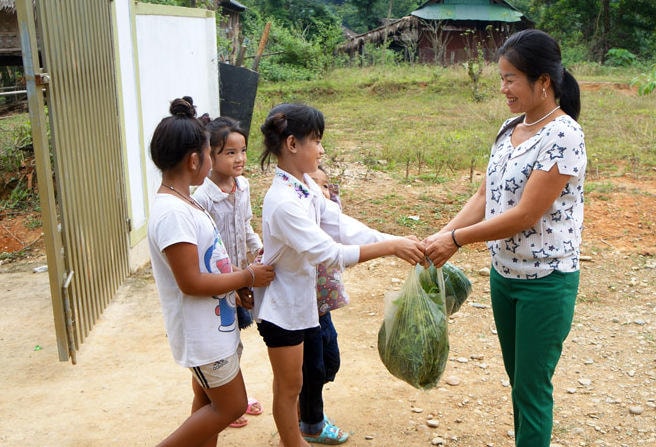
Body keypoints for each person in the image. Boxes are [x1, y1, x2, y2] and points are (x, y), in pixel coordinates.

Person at [424, 29, 586, 447]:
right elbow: (485, 195)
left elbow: (526, 214)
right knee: (519, 382)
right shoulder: (509, 127)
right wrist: (440, 236)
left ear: (543, 82)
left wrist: (456, 240)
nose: (503, 89)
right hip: (505, 276)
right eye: (501, 78)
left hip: (546, 283)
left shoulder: (564, 135)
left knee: (532, 390)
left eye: (511, 78)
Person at [253, 103, 425, 447]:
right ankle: (295, 442)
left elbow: (341, 225)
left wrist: (395, 239)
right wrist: (391, 248)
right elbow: (330, 254)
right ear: (292, 145)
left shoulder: (304, 188)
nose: (321, 149)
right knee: (288, 389)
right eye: (316, 140)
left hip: (301, 304)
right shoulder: (284, 202)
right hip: (282, 309)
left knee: (296, 383)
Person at [147, 97, 275, 447]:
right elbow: (190, 282)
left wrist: (235, 279)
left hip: (215, 324)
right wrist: (247, 276)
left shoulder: (184, 201)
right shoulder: (173, 212)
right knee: (231, 405)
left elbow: (209, 261)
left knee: (207, 403)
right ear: (194, 159)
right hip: (202, 334)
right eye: (209, 153)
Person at [192, 115, 264, 429]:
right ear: (210, 156)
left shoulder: (243, 186)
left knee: (231, 342)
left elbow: (245, 226)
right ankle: (223, 401)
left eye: (243, 151)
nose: (240, 159)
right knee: (220, 346)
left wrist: (260, 252)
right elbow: (205, 255)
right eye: (230, 153)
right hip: (218, 283)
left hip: (238, 278)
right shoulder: (201, 199)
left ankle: (227, 397)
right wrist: (238, 280)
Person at [298, 165, 350, 444]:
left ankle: (304, 402)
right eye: (314, 184)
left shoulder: (328, 215)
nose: (322, 189)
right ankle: (311, 423)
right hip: (305, 310)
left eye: (325, 184)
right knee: (313, 368)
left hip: (323, 309)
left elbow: (340, 222)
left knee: (329, 362)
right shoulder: (302, 218)